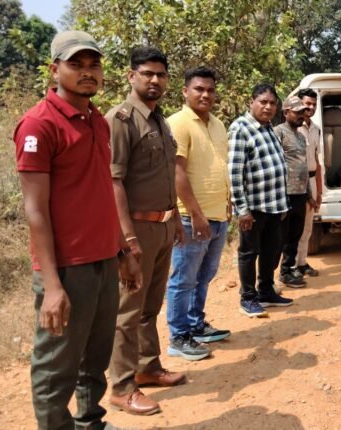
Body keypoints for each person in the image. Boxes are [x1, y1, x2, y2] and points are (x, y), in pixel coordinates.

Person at [14, 30, 142, 430]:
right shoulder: (38, 125)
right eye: (76, 64)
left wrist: (122, 251)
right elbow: (35, 211)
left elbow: (101, 192)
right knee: (57, 365)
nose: (87, 72)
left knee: (95, 357)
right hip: (67, 268)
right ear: (55, 70)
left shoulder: (97, 121)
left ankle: (91, 422)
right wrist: (52, 287)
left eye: (94, 64)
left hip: (104, 260)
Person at [107, 47, 186, 416]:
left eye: (161, 74)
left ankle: (147, 367)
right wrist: (127, 240)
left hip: (163, 225)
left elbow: (166, 175)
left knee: (149, 307)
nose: (155, 80)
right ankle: (122, 388)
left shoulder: (160, 121)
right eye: (147, 73)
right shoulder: (121, 120)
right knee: (127, 312)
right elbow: (113, 182)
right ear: (131, 76)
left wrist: (175, 220)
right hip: (136, 229)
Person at [165, 66, 231, 362]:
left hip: (218, 215)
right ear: (185, 92)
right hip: (191, 218)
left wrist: (227, 204)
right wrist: (196, 213)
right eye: (199, 89)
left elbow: (219, 166)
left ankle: (196, 325)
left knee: (204, 275)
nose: (206, 94)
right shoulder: (177, 123)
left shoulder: (218, 124)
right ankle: (178, 336)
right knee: (183, 279)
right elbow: (176, 171)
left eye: (210, 90)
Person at [229, 84, 293, 318]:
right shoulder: (240, 128)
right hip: (254, 207)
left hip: (274, 205)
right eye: (263, 102)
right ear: (251, 102)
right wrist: (242, 209)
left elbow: (278, 166)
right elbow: (235, 173)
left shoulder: (269, 128)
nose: (268, 107)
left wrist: (283, 202)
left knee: (271, 250)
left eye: (272, 103)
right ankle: (248, 298)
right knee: (249, 252)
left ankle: (266, 291)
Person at [274, 96, 312, 288]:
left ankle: (287, 270)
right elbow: (274, 164)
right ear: (286, 112)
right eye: (296, 112)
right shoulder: (278, 132)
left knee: (295, 235)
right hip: (284, 194)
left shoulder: (301, 136)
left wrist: (309, 193)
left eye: (302, 112)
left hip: (300, 194)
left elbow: (304, 165)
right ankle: (268, 278)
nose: (301, 115)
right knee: (279, 236)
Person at [295, 88, 323, 277]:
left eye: (314, 104)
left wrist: (319, 191)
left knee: (307, 227)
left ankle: (302, 263)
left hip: (312, 181)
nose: (311, 107)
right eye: (307, 103)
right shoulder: (292, 128)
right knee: (294, 227)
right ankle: (289, 266)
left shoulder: (316, 129)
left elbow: (317, 161)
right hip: (296, 184)